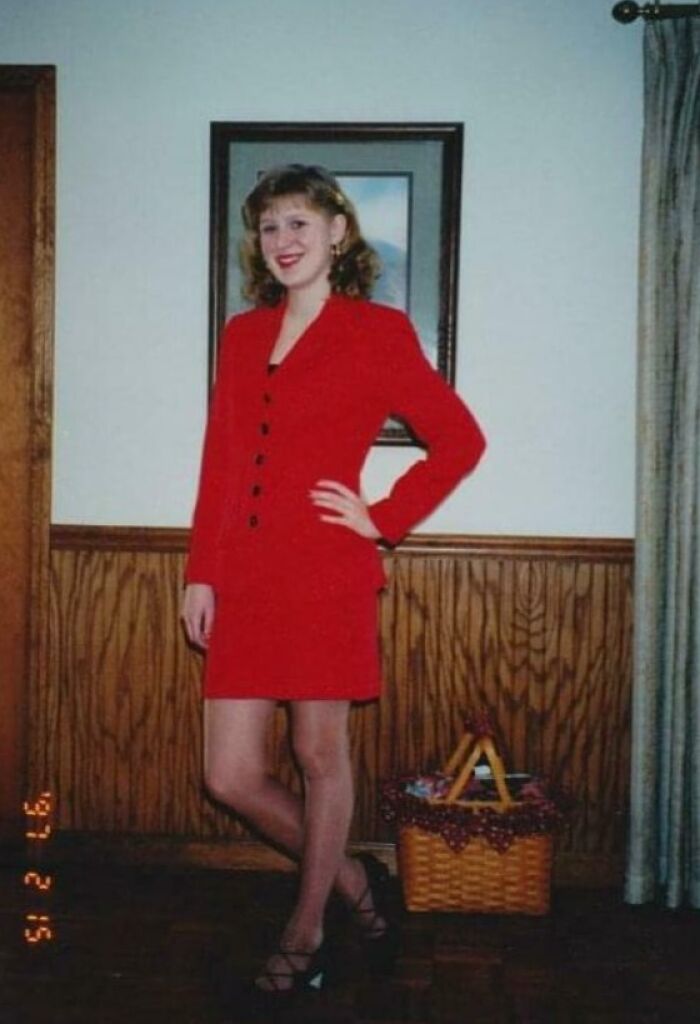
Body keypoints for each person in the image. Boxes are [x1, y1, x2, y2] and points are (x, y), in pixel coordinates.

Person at [181, 164, 486, 1002]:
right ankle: (354, 884)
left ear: (337, 234)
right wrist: (200, 572)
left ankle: (307, 926)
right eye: (270, 227)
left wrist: (384, 515)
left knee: (321, 756)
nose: (282, 241)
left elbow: (459, 440)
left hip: (323, 571)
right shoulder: (244, 335)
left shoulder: (377, 332)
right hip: (242, 576)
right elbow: (220, 462)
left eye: (299, 225)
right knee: (230, 774)